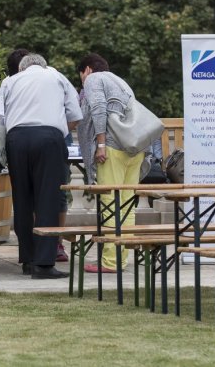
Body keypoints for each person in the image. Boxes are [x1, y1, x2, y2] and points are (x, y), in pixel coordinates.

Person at [0, 54, 81, 279]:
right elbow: (75, 114)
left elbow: (0, 116)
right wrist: (59, 130)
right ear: (44, 66)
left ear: (21, 68)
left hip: (16, 138)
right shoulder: (56, 76)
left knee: (22, 199)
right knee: (48, 199)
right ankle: (44, 264)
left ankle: (27, 259)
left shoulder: (10, 81)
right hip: (48, 137)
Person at [77, 53, 145, 274]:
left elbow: (98, 109)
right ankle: (119, 259)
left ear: (86, 70)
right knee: (126, 205)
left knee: (110, 202)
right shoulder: (120, 82)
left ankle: (109, 261)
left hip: (113, 149)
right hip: (133, 149)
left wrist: (101, 143)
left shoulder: (94, 80)